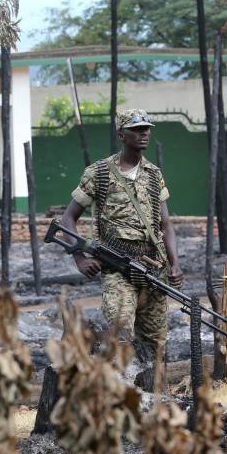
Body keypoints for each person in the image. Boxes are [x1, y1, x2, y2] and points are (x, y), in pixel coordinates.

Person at [60, 109, 183, 363]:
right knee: (121, 333)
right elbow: (67, 219)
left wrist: (175, 264)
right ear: (122, 134)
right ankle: (119, 393)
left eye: (146, 128)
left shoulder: (153, 174)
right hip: (118, 270)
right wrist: (79, 258)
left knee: (156, 344)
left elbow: (166, 224)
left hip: (153, 270)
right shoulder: (99, 173)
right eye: (136, 129)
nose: (144, 133)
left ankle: (154, 398)